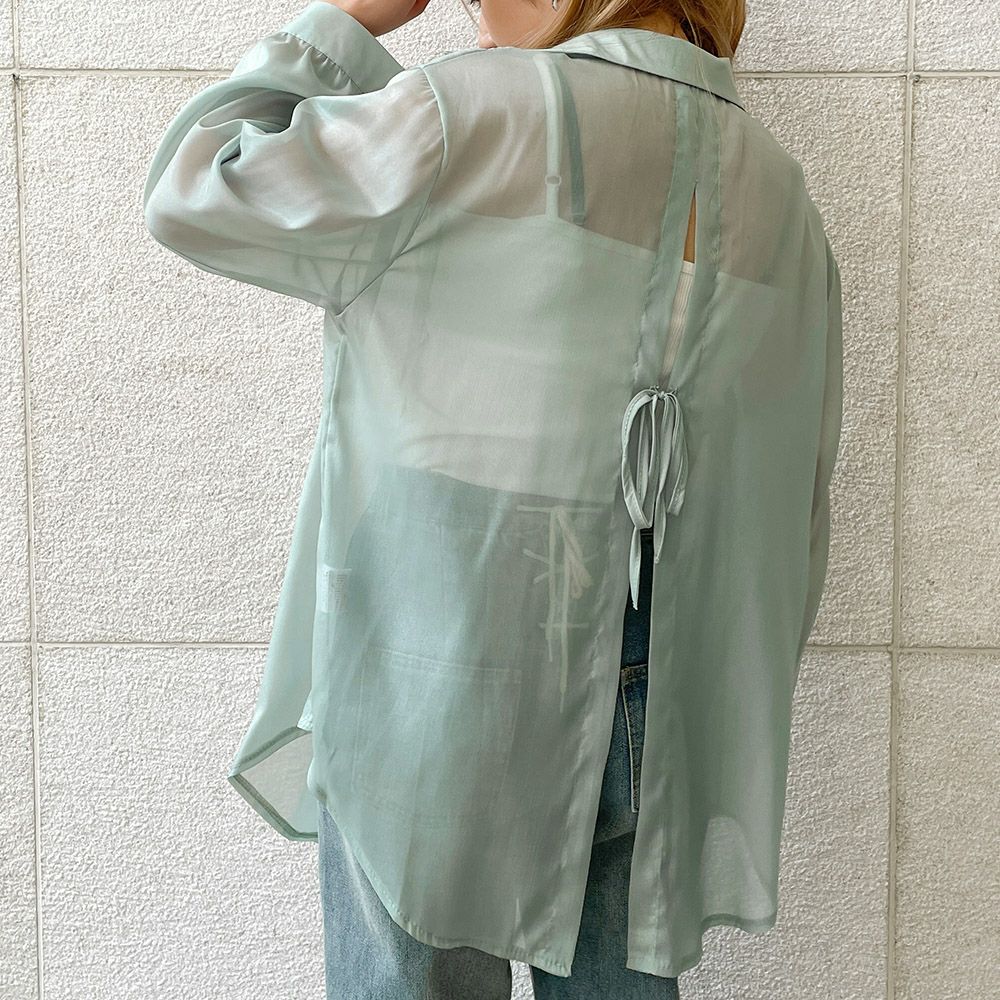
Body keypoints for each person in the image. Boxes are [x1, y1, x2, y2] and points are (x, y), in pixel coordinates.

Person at [142, 0, 843, 995]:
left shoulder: (473, 111)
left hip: (446, 643)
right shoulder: (777, 185)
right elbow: (797, 488)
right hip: (668, 663)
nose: (472, 12)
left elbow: (198, 186)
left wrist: (344, 21)